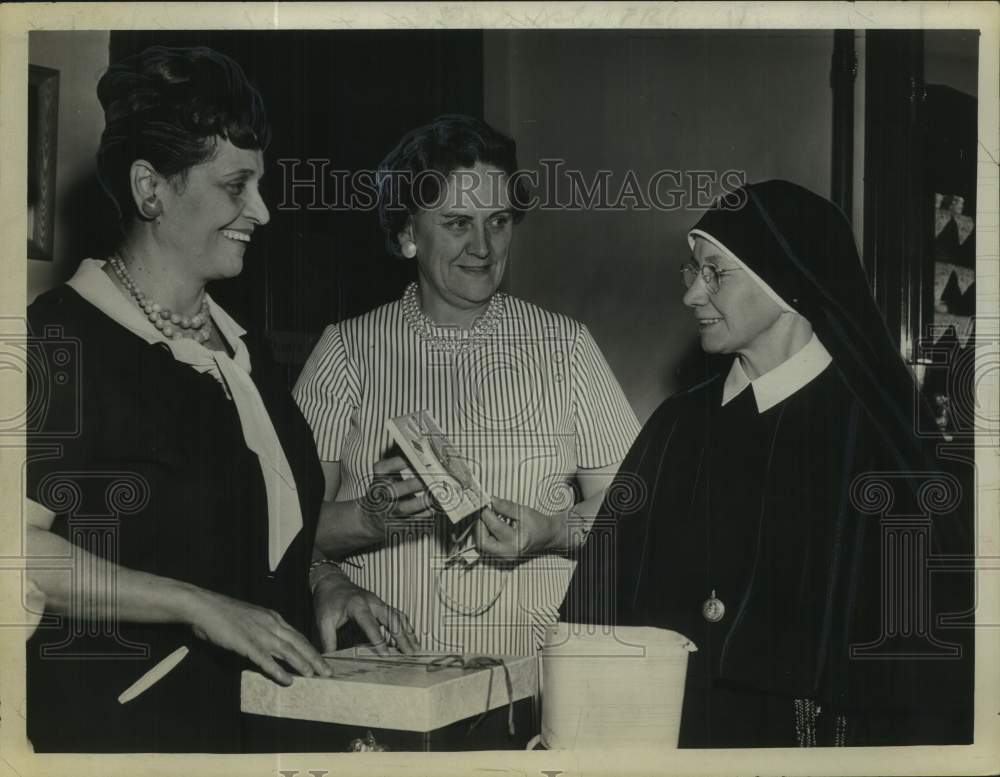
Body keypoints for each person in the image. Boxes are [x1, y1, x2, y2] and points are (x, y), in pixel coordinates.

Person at [564, 180, 974, 747]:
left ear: (788, 281)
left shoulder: (878, 444)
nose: (691, 295)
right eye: (692, 270)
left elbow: (921, 677)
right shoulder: (676, 427)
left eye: (716, 273)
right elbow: (598, 610)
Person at [23, 46, 341, 753]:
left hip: (256, 729)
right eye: (236, 186)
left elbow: (253, 529)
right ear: (150, 189)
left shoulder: (243, 348)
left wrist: (323, 583)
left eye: (261, 183)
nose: (261, 209)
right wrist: (194, 606)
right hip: (123, 736)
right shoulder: (59, 338)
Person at [294, 115, 641, 658]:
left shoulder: (566, 346)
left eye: (498, 221)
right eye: (458, 222)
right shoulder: (347, 351)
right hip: (392, 674)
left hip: (535, 675)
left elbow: (633, 506)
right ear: (408, 233)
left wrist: (551, 529)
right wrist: (369, 517)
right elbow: (286, 529)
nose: (483, 246)